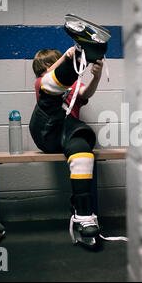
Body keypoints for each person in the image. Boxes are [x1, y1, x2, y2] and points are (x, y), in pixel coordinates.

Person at [29, 45, 104, 246]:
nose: (48, 71)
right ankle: (82, 57)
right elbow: (50, 79)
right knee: (50, 91)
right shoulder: (41, 83)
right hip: (45, 131)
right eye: (46, 68)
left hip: (67, 135)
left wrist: (96, 76)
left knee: (83, 149)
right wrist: (66, 57)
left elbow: (86, 92)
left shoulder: (74, 87)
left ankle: (83, 216)